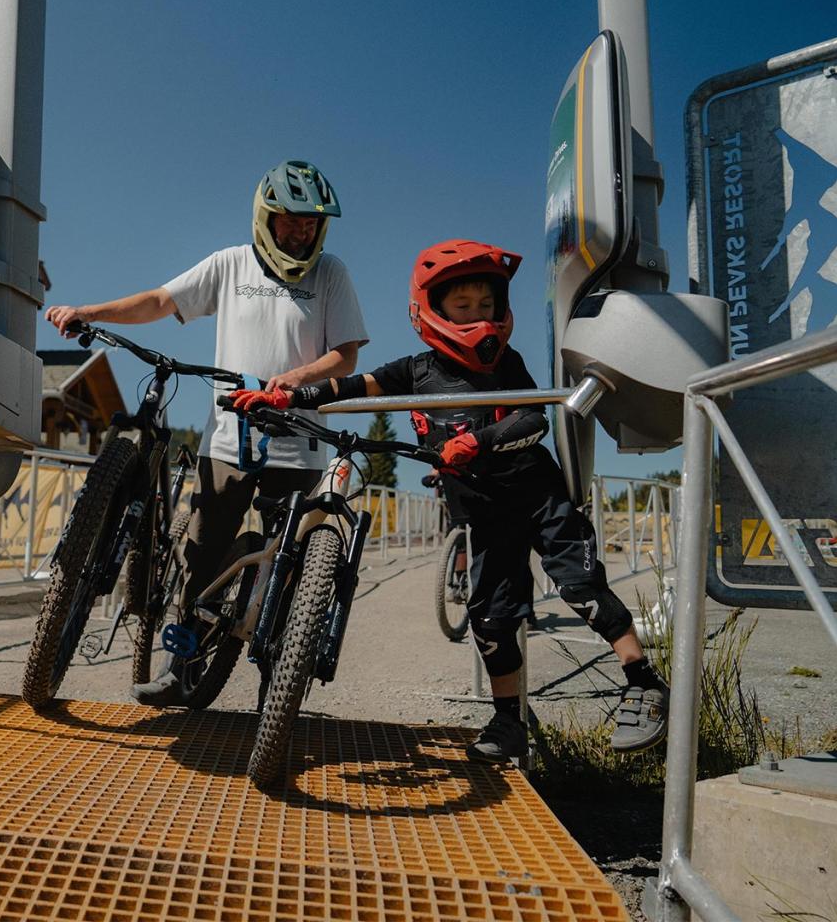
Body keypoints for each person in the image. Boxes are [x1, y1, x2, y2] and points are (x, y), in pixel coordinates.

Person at [231, 238, 668, 761]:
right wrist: (290, 396)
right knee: (491, 619)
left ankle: (643, 682)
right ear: (429, 309)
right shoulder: (415, 372)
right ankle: (509, 723)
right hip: (484, 512)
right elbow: (353, 386)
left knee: (580, 585)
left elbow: (534, 418)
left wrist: (476, 441)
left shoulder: (506, 365)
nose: (478, 316)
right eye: (463, 306)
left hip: (536, 497)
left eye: (487, 305)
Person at [44, 160, 369, 707]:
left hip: (301, 439)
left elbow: (346, 354)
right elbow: (160, 301)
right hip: (229, 442)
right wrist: (88, 311)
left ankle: (278, 691)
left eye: (311, 223)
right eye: (290, 221)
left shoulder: (330, 273)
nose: (301, 232)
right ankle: (181, 665)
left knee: (289, 570)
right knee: (200, 554)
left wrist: (295, 378)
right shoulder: (230, 264)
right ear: (265, 218)